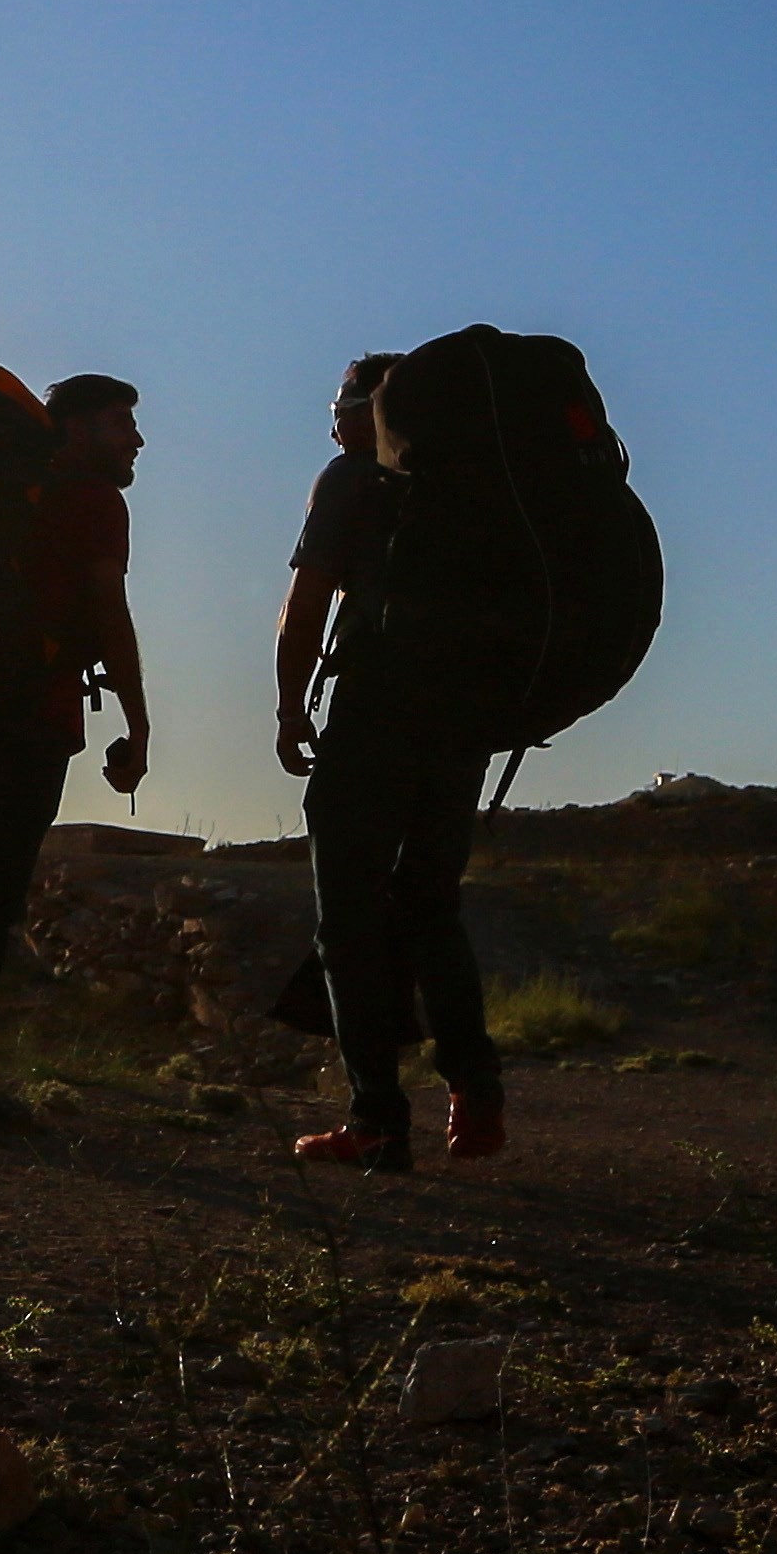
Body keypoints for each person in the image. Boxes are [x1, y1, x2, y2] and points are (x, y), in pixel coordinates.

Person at [0, 369, 150, 1130]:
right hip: (32, 714)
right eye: (119, 423)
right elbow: (108, 606)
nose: (136, 439)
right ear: (72, 428)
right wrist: (138, 724)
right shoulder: (92, 500)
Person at [286, 352, 503, 1169]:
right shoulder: (476, 482)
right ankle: (475, 1091)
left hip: (376, 713)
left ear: (370, 408)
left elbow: (309, 603)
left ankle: (377, 1119)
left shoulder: (349, 480)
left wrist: (286, 706)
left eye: (341, 403)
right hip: (465, 718)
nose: (333, 421)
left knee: (347, 917)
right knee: (431, 904)